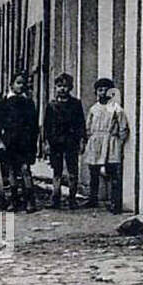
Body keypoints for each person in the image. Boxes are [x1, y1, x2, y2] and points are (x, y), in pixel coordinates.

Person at [0, 71, 39, 212]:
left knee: (25, 169)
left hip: (25, 142)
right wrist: (0, 141)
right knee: (12, 171)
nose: (20, 86)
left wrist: (33, 142)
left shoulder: (29, 103)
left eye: (23, 84)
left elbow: (34, 125)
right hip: (10, 141)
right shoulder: (3, 104)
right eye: (18, 83)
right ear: (11, 85)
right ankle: (14, 200)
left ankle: (29, 201)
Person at [84, 77, 130, 213]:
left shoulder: (116, 109)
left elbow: (123, 127)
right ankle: (93, 199)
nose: (103, 93)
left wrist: (118, 142)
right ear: (96, 92)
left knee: (113, 173)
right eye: (100, 90)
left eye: (106, 90)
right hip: (96, 141)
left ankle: (115, 202)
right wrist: (90, 138)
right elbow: (88, 126)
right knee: (94, 172)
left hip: (110, 142)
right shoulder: (94, 109)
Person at [41, 72, 86, 209]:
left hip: (71, 141)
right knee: (57, 170)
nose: (62, 89)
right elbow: (46, 126)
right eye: (59, 86)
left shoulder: (76, 104)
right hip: (55, 142)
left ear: (70, 87)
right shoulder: (51, 105)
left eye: (65, 86)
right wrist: (45, 143)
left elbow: (81, 124)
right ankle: (56, 197)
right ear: (55, 87)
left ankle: (72, 199)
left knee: (72, 170)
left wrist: (82, 140)